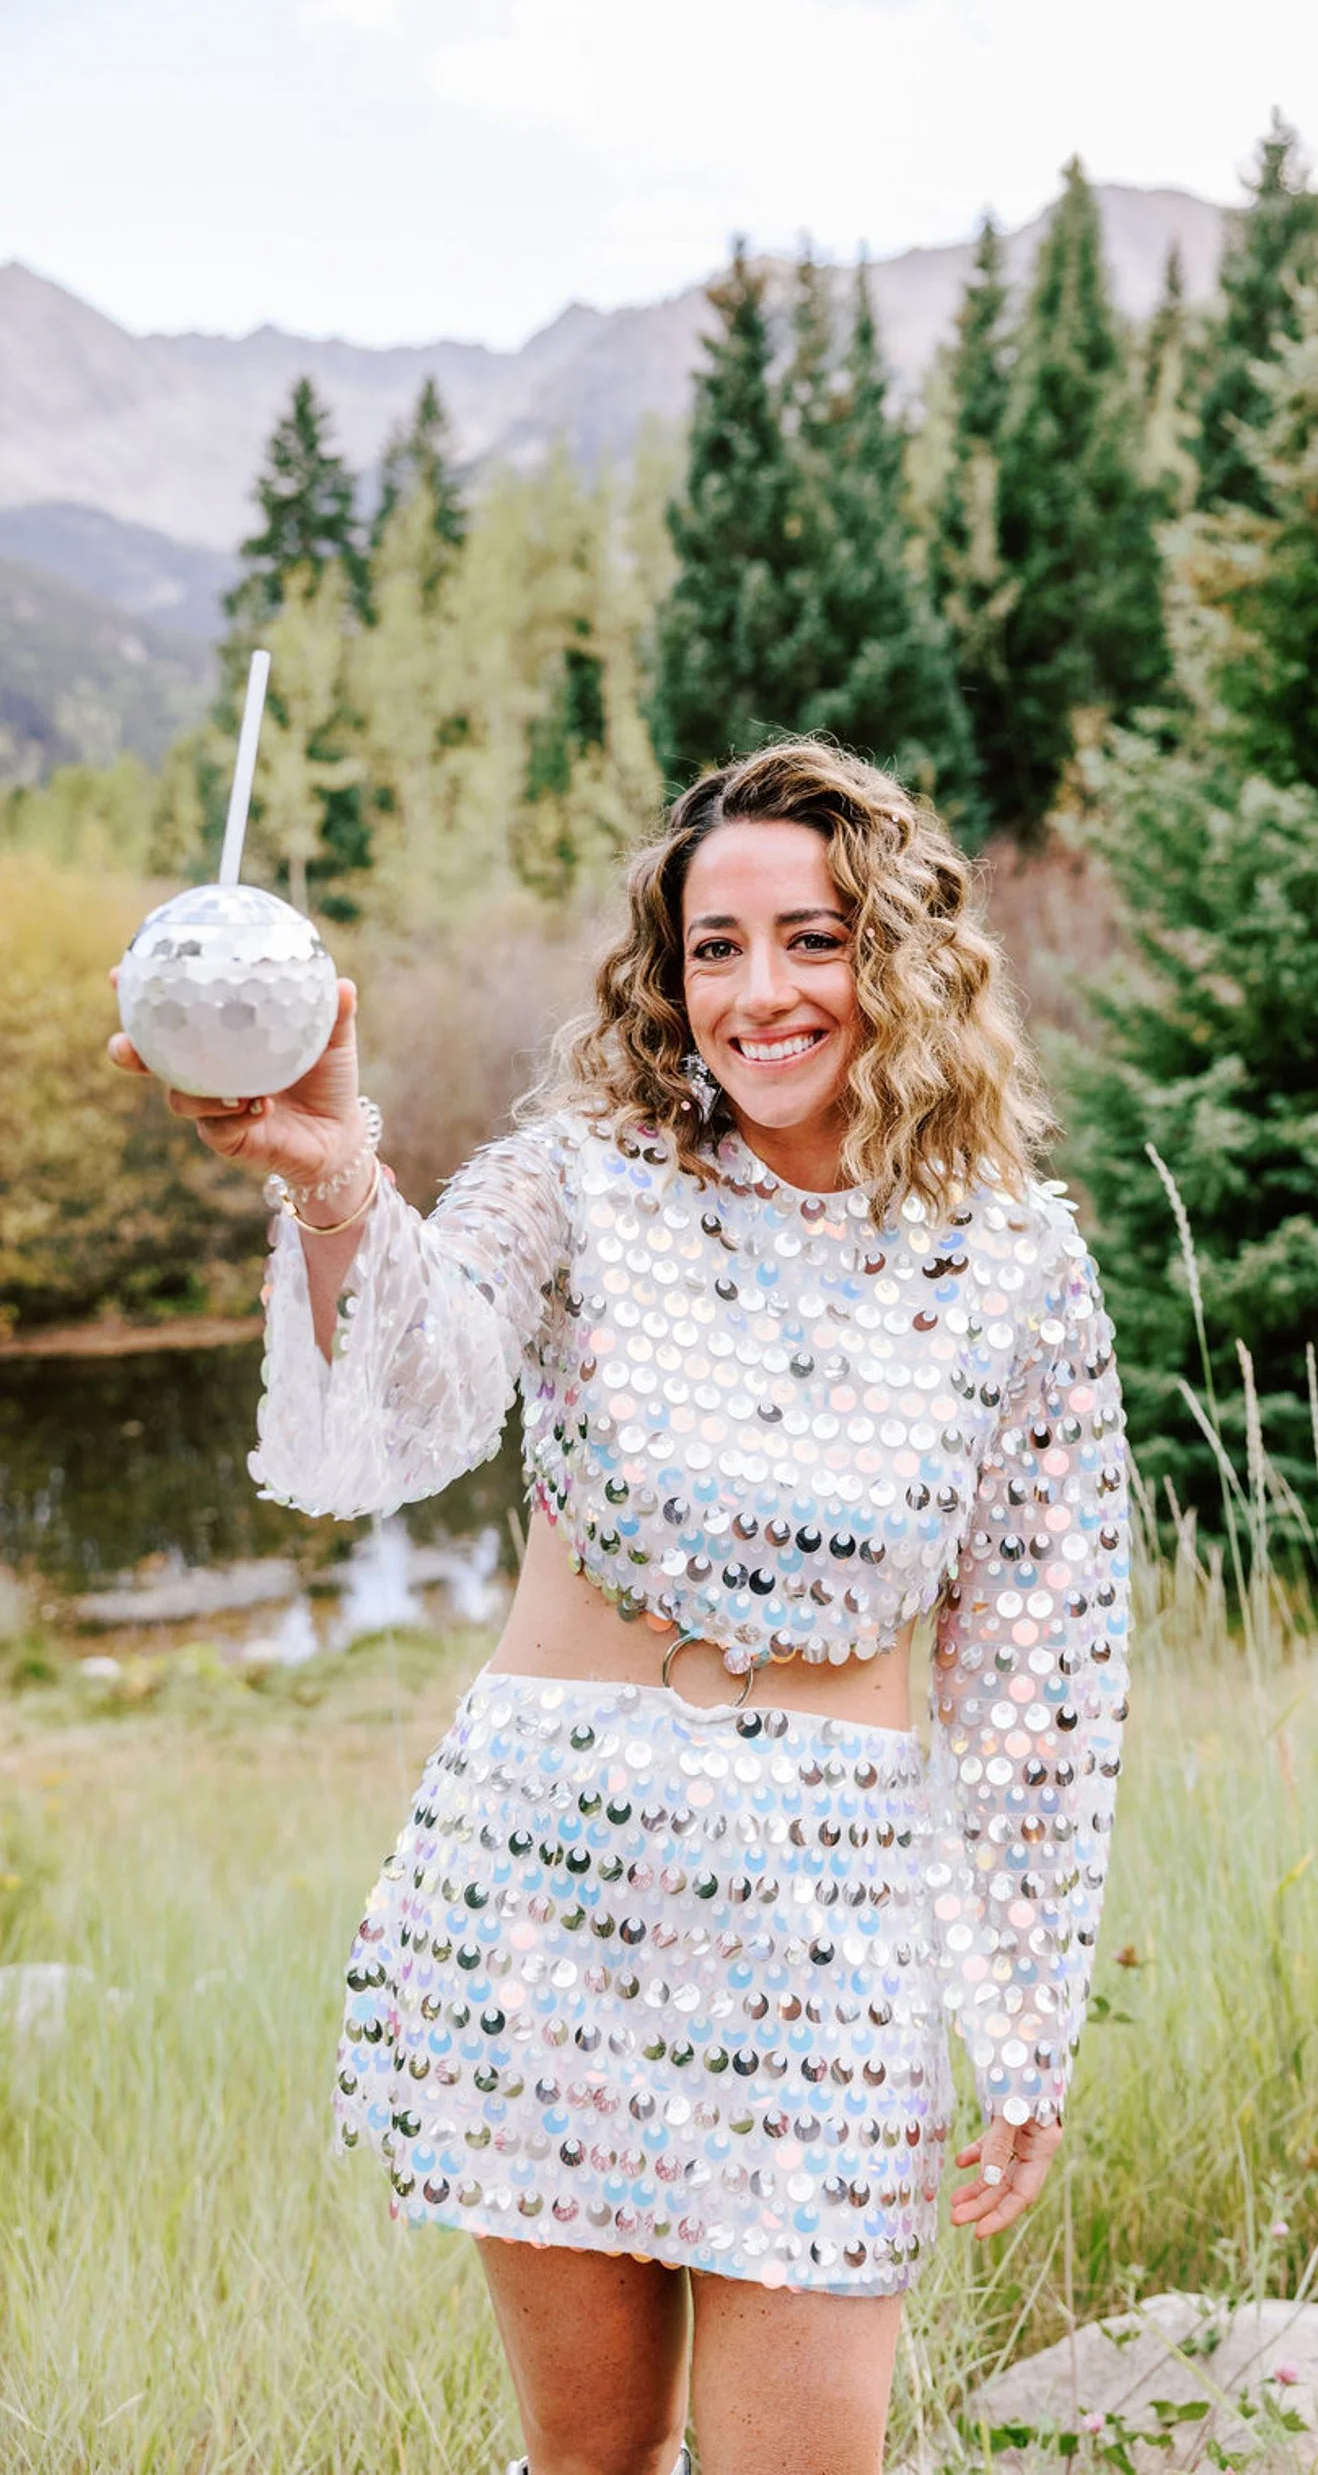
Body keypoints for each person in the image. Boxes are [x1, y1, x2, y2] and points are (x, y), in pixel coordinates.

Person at [110, 739, 1131, 2475]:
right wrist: (333, 1170)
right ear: (666, 982)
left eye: (809, 938)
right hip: (554, 1878)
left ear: (898, 953)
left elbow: (1042, 1659)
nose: (759, 993)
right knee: (592, 2463)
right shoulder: (582, 1178)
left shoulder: (1018, 1263)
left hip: (830, 1918)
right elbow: (405, 1407)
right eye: (711, 949)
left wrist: (1024, 2014)